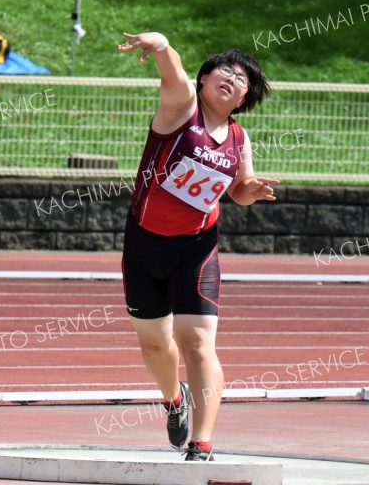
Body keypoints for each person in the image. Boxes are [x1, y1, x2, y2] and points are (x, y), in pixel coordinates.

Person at [118, 31, 279, 461]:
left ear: (244, 99)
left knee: (198, 343)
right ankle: (174, 400)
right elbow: (173, 73)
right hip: (144, 244)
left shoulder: (239, 138)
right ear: (204, 79)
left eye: (241, 79)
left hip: (196, 249)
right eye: (223, 70)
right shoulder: (181, 108)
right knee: (155, 344)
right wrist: (162, 44)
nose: (231, 78)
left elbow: (239, 190)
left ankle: (202, 443)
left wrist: (251, 190)